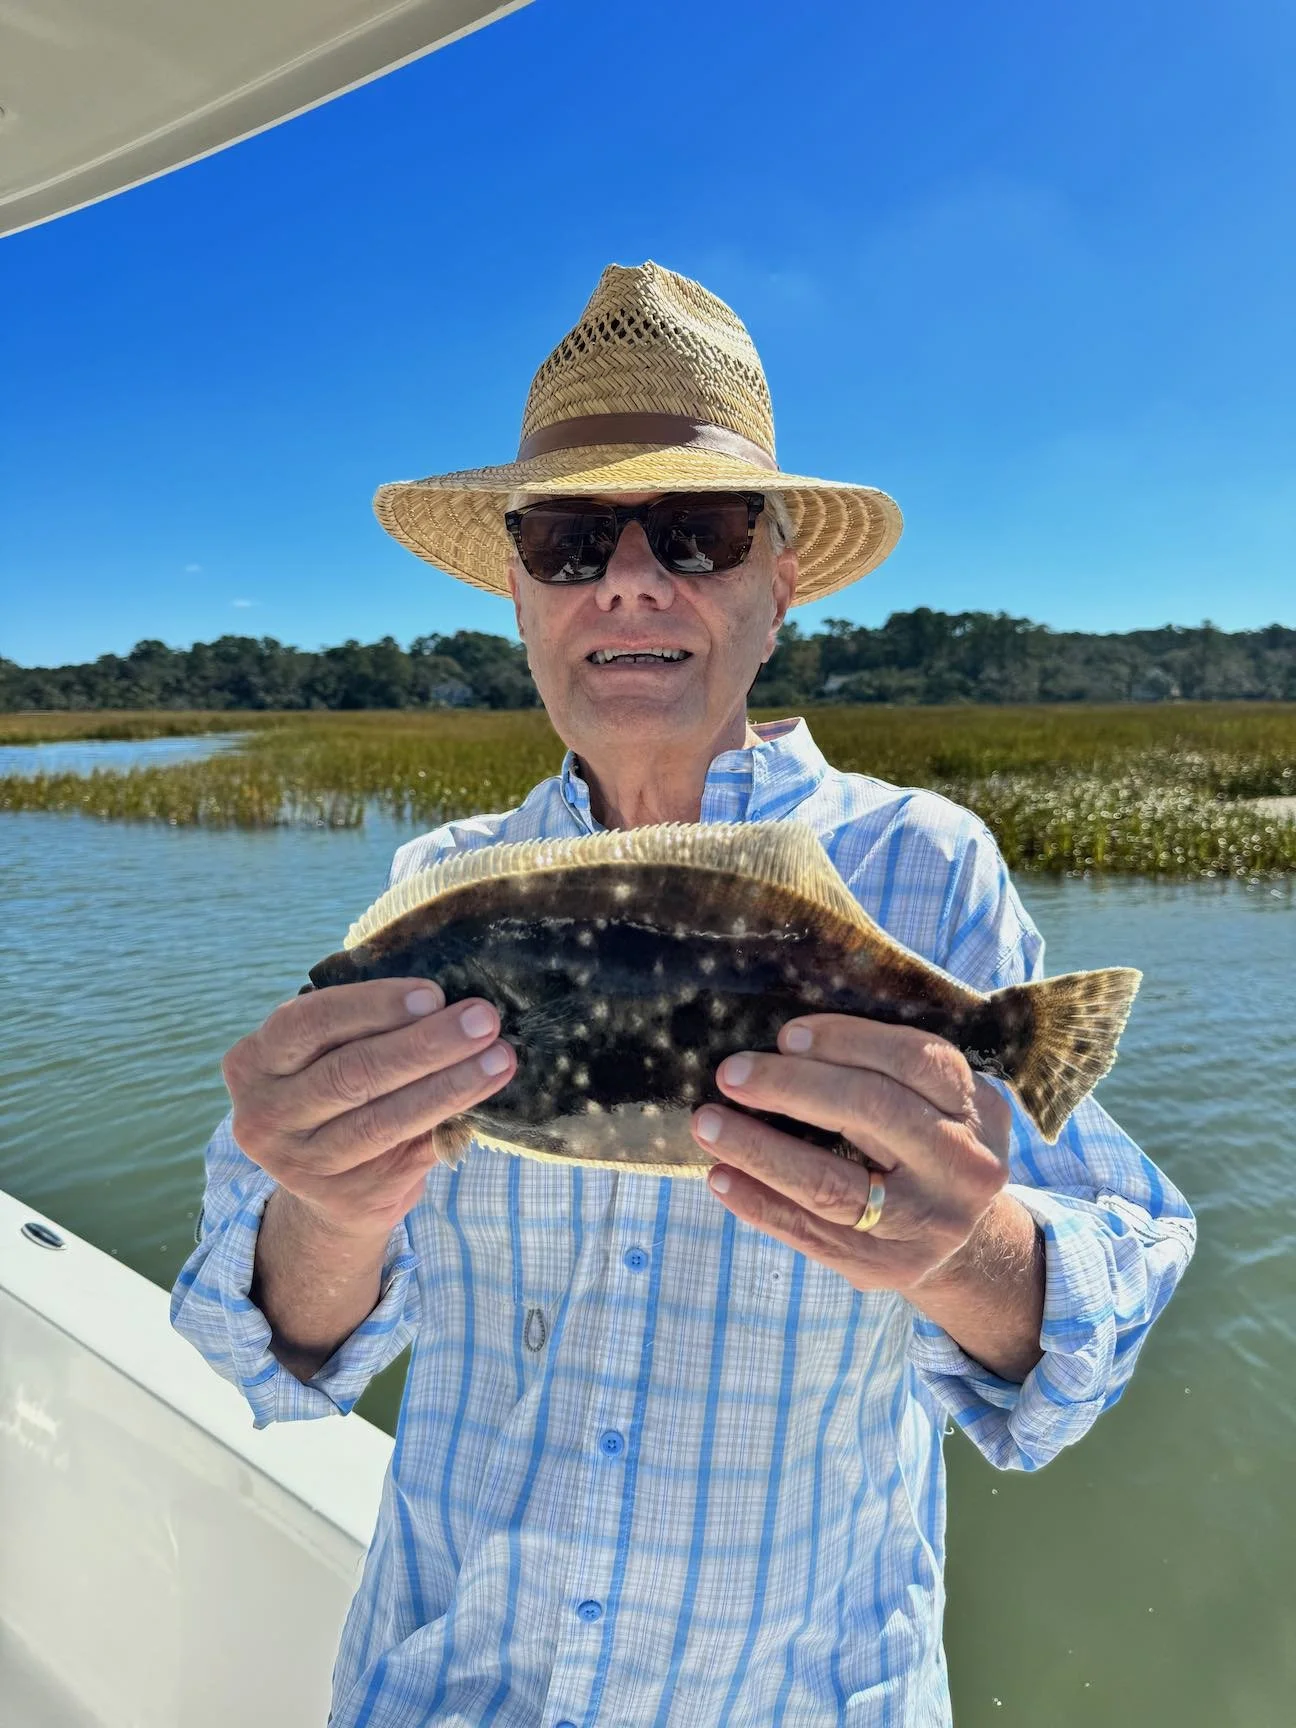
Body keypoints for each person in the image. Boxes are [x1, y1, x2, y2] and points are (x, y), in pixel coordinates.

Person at [171, 261, 1196, 1728]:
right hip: (449, 1679)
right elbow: (263, 1350)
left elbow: (1101, 1316)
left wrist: (964, 1247)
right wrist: (327, 1202)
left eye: (699, 534)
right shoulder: (433, 887)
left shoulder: (926, 865)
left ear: (779, 583)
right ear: (520, 594)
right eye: (573, 538)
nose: (633, 582)